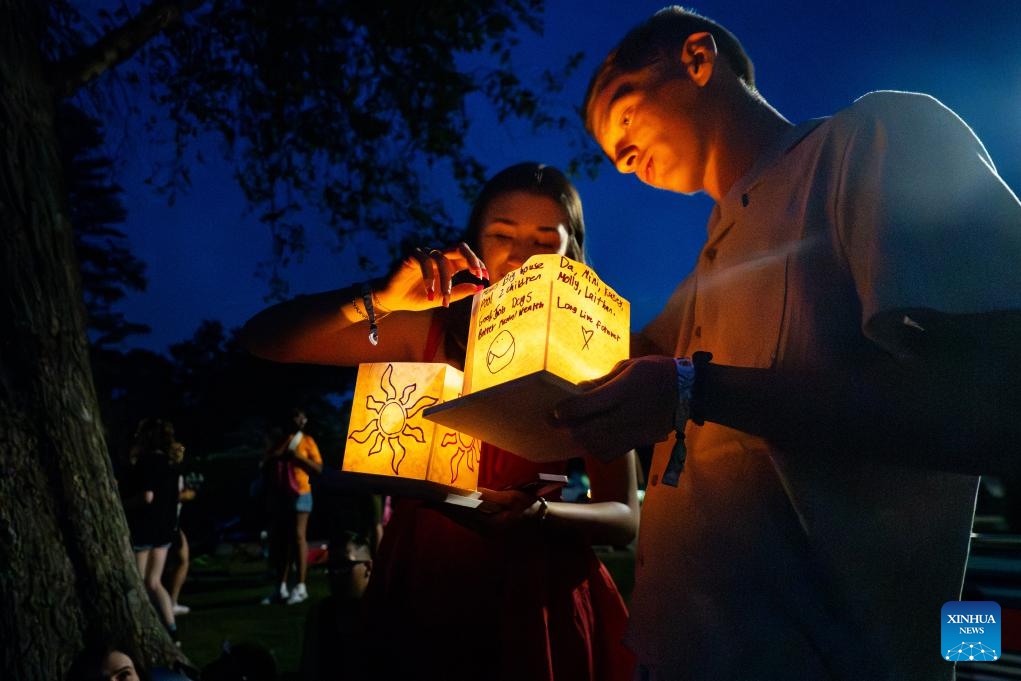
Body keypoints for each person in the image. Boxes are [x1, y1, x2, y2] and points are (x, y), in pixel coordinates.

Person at [553, 6, 1021, 681]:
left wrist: (697, 389)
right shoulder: (707, 269)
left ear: (696, 58)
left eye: (623, 116)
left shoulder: (871, 143)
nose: (622, 161)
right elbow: (607, 359)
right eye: (609, 153)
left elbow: (993, 408)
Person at [241, 162, 640, 680]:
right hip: (424, 576)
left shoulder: (592, 354)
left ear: (573, 254)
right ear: (472, 242)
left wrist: (540, 517)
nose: (521, 254)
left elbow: (625, 516)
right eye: (502, 234)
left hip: (538, 590)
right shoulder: (426, 328)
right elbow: (264, 338)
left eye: (546, 239)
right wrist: (381, 299)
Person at [120, 418, 185, 645]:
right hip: (164, 529)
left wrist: (121, 505)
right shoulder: (171, 463)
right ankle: (172, 630)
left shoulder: (147, 462)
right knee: (154, 582)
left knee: (137, 583)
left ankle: (138, 631)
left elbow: (147, 496)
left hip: (144, 528)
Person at [260, 407, 323, 605]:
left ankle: (301, 586)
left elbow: (319, 468)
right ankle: (281, 587)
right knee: (281, 540)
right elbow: (265, 463)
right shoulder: (278, 440)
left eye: (302, 415)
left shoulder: (307, 441)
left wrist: (298, 458)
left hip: (301, 492)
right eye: (297, 415)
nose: (301, 419)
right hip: (280, 494)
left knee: (297, 536)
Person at [298, 532, 374, 681]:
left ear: (368, 567)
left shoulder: (388, 613)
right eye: (331, 567)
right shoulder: (321, 615)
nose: (334, 574)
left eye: (343, 566)